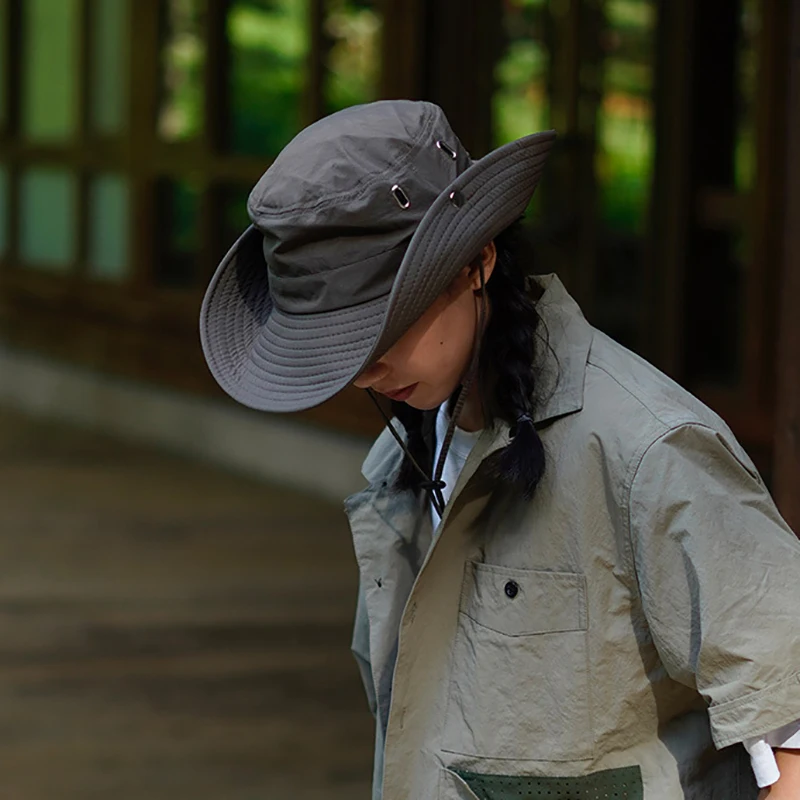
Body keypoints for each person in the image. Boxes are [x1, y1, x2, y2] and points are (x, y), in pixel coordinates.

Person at [199, 100, 800, 799]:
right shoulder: (406, 457)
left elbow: (790, 726)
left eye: (379, 329)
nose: (363, 371)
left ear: (477, 260)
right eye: (339, 346)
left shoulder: (647, 449)